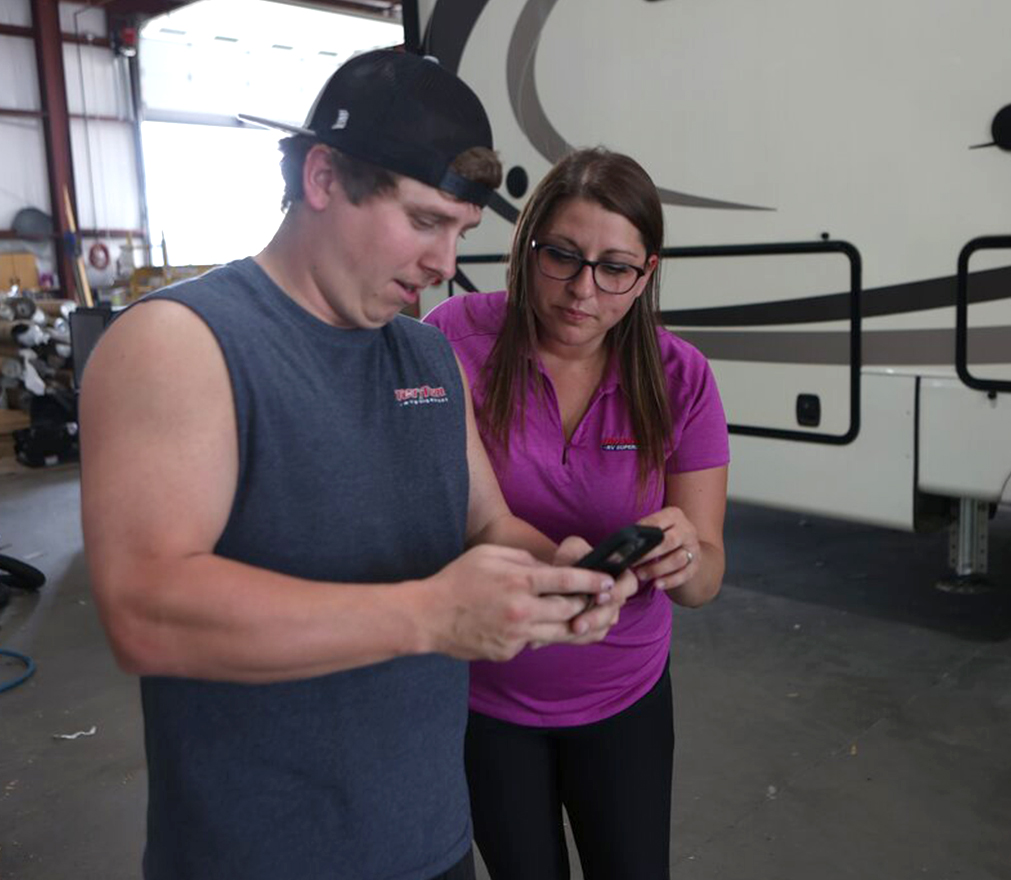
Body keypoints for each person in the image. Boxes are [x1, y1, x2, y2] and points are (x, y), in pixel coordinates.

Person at [78, 52, 636, 880]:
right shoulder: (182, 343)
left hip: (433, 840)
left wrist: (560, 570)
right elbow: (146, 613)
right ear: (322, 176)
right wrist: (431, 617)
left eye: (461, 232)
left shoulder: (427, 355)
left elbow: (487, 523)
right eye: (422, 222)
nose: (446, 263)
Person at [424, 147, 730, 880]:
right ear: (527, 245)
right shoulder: (453, 341)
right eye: (562, 256)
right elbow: (462, 519)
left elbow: (707, 576)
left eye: (615, 268)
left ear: (647, 273)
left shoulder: (680, 376)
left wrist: (683, 555)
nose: (582, 291)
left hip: (622, 693)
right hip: (487, 695)